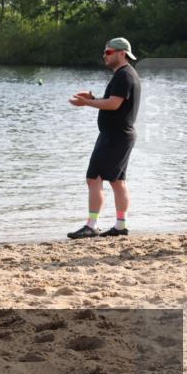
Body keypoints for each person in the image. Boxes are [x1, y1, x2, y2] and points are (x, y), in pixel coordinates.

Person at [67, 37, 142, 238]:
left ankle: (91, 225)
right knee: (118, 181)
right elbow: (112, 101)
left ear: (121, 53)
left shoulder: (124, 75)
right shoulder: (124, 74)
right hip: (119, 135)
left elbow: (114, 104)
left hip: (115, 136)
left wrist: (86, 103)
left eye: (108, 52)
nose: (104, 55)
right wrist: (93, 99)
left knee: (94, 178)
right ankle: (120, 225)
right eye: (104, 52)